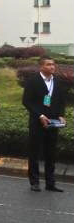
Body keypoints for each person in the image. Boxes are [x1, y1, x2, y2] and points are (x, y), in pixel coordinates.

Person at [22, 57, 69, 192]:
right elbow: (27, 101)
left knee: (51, 153)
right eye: (48, 65)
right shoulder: (33, 81)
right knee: (35, 153)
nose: (52, 67)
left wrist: (61, 114)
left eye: (53, 64)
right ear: (41, 67)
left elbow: (61, 100)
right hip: (38, 122)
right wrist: (40, 115)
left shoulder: (57, 82)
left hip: (53, 123)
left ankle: (50, 183)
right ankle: (34, 182)